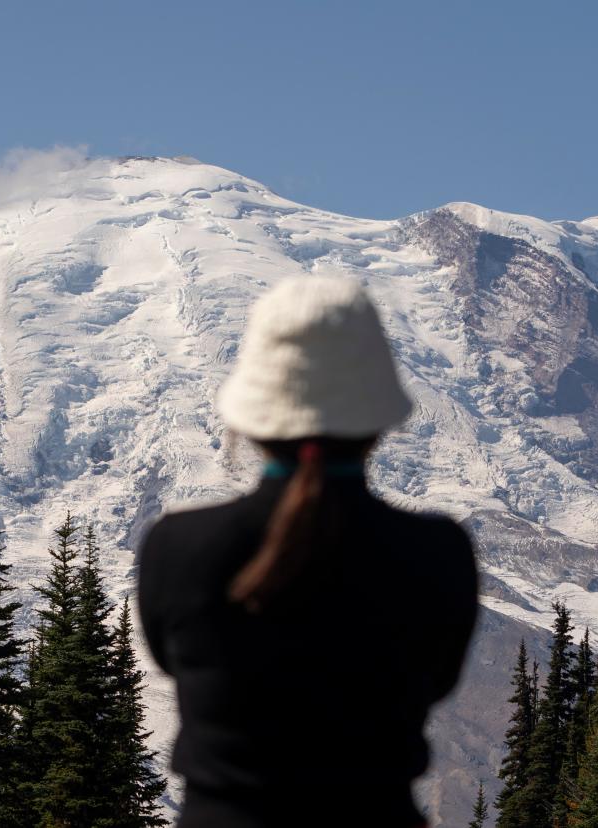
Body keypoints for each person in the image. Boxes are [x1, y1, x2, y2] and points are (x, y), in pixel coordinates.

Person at [137, 276, 478, 827]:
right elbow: (436, 683)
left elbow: (169, 662)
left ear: (253, 419)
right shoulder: (438, 554)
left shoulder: (177, 548)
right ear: (378, 420)